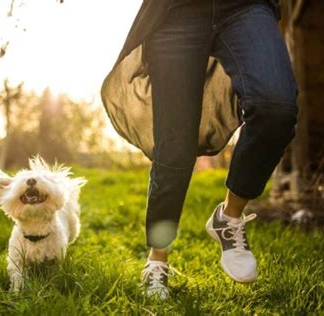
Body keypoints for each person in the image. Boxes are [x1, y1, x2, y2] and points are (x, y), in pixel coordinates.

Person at [101, 0, 297, 299]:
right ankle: (157, 259)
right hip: (174, 12)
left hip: (246, 7)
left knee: (277, 109)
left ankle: (229, 217)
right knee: (175, 145)